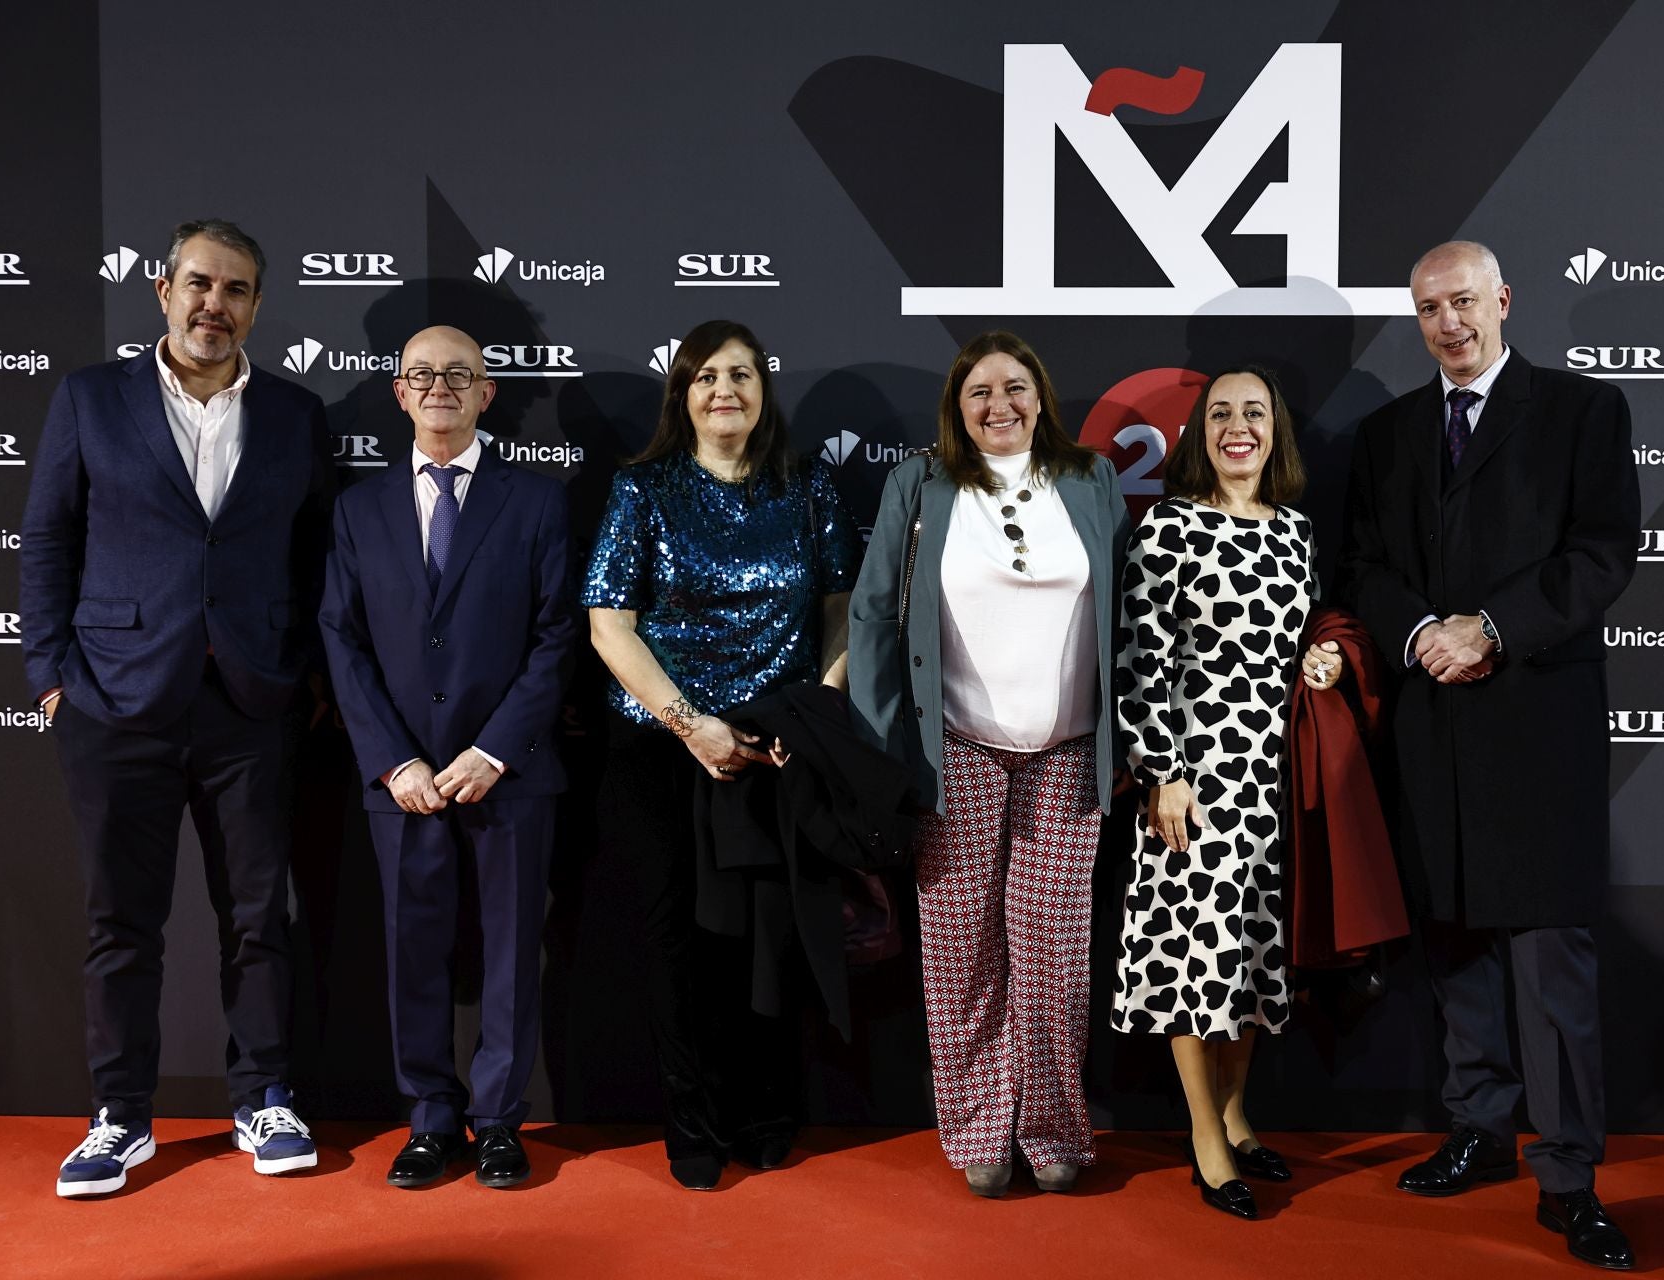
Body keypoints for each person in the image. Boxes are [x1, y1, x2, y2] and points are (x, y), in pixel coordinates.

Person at [1335, 241, 1640, 1271]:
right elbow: (1365, 562)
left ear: (1504, 299)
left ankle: (1569, 1175)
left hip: (1536, 726)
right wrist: (1420, 628)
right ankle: (1477, 1126)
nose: (1448, 322)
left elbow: (1602, 554)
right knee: (1454, 943)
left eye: (1463, 300)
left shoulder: (1582, 413)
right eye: (1428, 308)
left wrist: (1489, 630)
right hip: (1429, 730)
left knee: (1550, 962)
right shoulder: (1384, 436)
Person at [19, 218, 332, 1196]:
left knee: (257, 917)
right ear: (162, 289)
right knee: (122, 919)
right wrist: (50, 677)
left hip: (250, 704)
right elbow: (46, 540)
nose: (215, 304)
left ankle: (263, 1093)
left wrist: (307, 677)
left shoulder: (293, 412)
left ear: (256, 306)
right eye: (200, 283)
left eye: (236, 289)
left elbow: (320, 553)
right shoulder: (89, 397)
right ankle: (121, 1113)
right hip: (114, 701)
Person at [849, 330, 1127, 1197]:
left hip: (1069, 755)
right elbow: (869, 619)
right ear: (956, 409)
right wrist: (884, 748)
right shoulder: (918, 485)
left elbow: (1128, 606)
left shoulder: (1089, 480)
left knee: (1051, 952)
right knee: (959, 948)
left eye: (1015, 388)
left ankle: (1049, 1129)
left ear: (1041, 397)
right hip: (954, 753)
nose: (999, 405)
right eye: (979, 393)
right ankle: (976, 1130)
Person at [585, 319, 859, 1190]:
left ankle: (766, 1113)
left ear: (762, 389)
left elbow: (843, 608)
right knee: (680, 945)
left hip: (775, 748)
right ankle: (692, 1125)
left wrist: (813, 711)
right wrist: (688, 722)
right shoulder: (645, 489)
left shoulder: (808, 483)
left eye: (739, 374)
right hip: (664, 749)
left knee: (767, 941)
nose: (723, 390)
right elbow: (608, 622)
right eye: (705, 377)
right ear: (684, 396)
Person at [318, 326, 576, 1189]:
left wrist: (495, 751)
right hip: (405, 783)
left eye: (457, 374)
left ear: (486, 393)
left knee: (509, 958)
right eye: (421, 374)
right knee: (412, 952)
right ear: (398, 393)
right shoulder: (357, 510)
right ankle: (430, 1118)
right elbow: (341, 640)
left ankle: (499, 1122)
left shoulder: (536, 502)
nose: (438, 387)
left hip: (509, 775)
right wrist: (396, 763)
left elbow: (556, 640)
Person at [1114, 366, 1339, 1219]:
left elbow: (1304, 639)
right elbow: (1141, 661)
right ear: (1197, 434)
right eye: (1220, 414)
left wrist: (1322, 661)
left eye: (1254, 412)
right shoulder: (1166, 530)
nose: (1238, 427)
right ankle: (1204, 1134)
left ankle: (1239, 1113)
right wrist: (1164, 772)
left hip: (1275, 779)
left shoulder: (1296, 535)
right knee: (1194, 956)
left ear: (1275, 430)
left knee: (1253, 956)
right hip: (1195, 779)